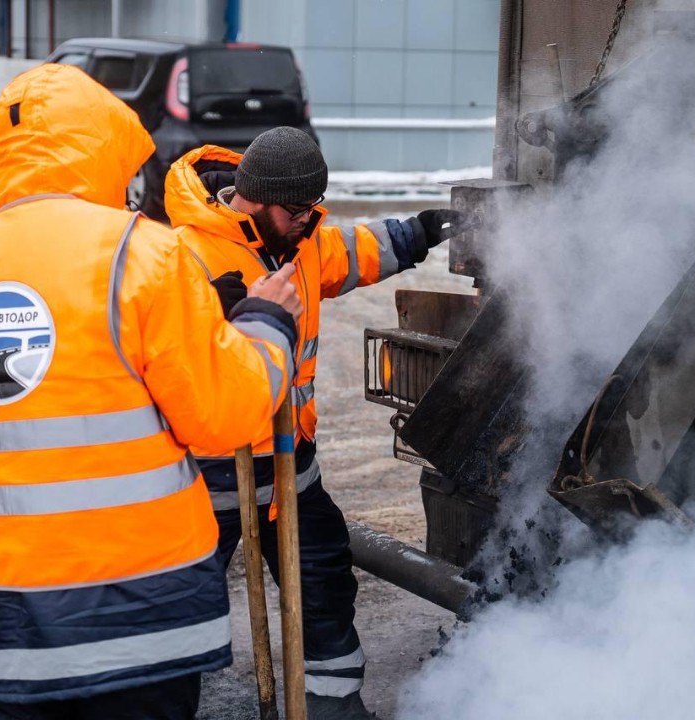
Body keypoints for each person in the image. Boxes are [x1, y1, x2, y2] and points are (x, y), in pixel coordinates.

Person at [0, 65, 302, 720]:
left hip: (9, 624)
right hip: (147, 618)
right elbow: (224, 416)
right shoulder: (144, 256)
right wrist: (268, 327)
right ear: (105, 150)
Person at [164, 128, 469, 719]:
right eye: (297, 210)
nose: (308, 221)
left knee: (324, 586)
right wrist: (213, 320)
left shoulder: (301, 243)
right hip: (208, 479)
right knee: (177, 611)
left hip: (290, 470)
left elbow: (355, 250)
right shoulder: (183, 256)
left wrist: (422, 231)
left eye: (313, 209)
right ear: (257, 197)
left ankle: (332, 708)